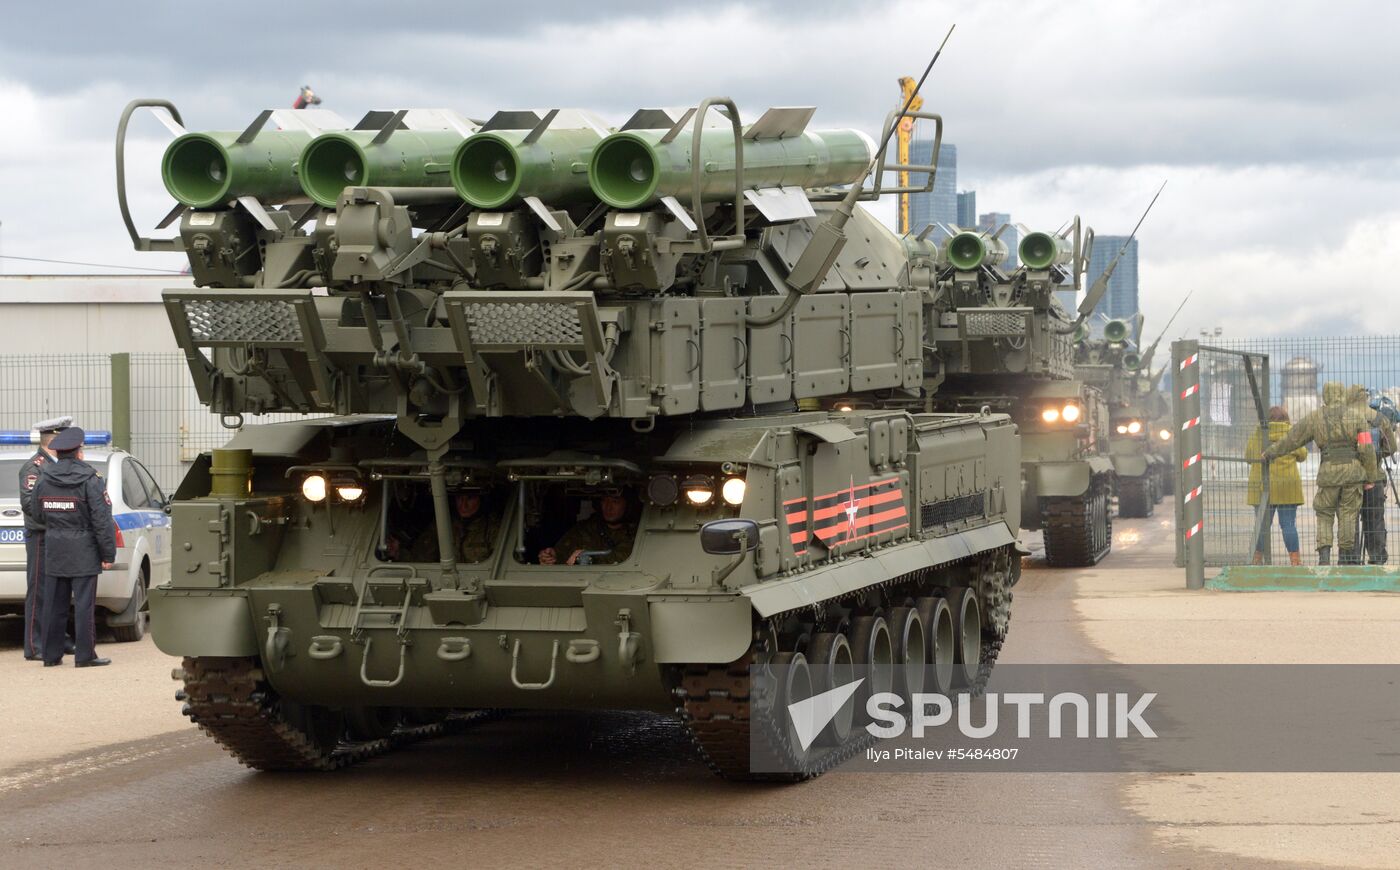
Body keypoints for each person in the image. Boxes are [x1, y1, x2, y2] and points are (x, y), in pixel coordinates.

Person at [1263, 381, 1377, 566]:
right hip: (1353, 474)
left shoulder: (1315, 418)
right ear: (1342, 394)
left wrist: (1269, 453)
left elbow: (1292, 440)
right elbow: (1367, 449)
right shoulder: (1357, 417)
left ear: (1325, 395)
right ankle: (1346, 558)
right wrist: (1370, 477)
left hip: (1328, 474)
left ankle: (1324, 559)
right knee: (1348, 514)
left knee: (1324, 515)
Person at [32, 427, 115, 667]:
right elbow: (101, 519)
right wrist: (107, 553)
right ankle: (85, 656)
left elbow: (36, 512)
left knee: (53, 605)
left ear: (58, 453)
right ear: (79, 452)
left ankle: (50, 655)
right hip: (85, 550)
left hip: (55, 548)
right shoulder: (91, 478)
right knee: (84, 606)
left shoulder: (44, 477)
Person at [17, 416, 73, 661]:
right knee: (39, 590)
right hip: (41, 536)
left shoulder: (56, 465)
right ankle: (35, 644)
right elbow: (30, 505)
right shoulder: (34, 468)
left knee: (58, 590)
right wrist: (60, 518)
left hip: (57, 536)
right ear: (55, 441)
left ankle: (58, 638)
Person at [1245, 406, 1307, 566]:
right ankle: (1295, 560)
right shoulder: (1290, 433)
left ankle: (1257, 559)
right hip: (1287, 485)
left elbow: (1249, 456)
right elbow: (1302, 455)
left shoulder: (1259, 433)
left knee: (1262, 526)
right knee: (1288, 524)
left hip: (1262, 486)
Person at [1350, 385, 1395, 564]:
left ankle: (1350, 559)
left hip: (1350, 477)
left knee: (1350, 519)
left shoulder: (1345, 417)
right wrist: (1376, 457)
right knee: (1374, 519)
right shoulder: (1379, 417)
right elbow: (1392, 447)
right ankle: (1377, 557)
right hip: (1375, 477)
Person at [539, 490, 637, 566]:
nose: (608, 507)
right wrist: (551, 557)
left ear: (627, 505)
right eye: (604, 500)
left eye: (615, 502)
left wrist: (589, 557)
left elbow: (623, 558)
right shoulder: (585, 529)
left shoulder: (637, 532)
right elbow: (563, 552)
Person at [404, 490, 499, 564]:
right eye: (459, 498)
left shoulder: (492, 527)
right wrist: (399, 552)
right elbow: (421, 558)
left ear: (481, 500)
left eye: (470, 498)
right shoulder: (443, 524)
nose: (463, 505)